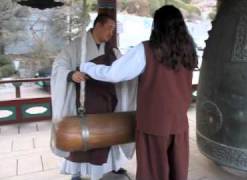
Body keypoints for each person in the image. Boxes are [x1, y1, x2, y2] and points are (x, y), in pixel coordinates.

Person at [80, 5, 197, 180]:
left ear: (156, 26)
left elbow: (114, 74)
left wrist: (86, 67)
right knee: (177, 171)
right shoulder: (189, 51)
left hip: (154, 124)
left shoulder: (147, 50)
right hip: (179, 123)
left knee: (153, 172)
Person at [50, 14, 137, 180]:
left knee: (108, 137)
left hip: (107, 103)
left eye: (113, 28)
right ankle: (79, 172)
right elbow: (58, 66)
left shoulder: (111, 50)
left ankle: (111, 167)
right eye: (109, 27)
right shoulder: (77, 46)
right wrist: (71, 74)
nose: (112, 32)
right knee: (83, 139)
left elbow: (123, 69)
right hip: (84, 103)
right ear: (98, 25)